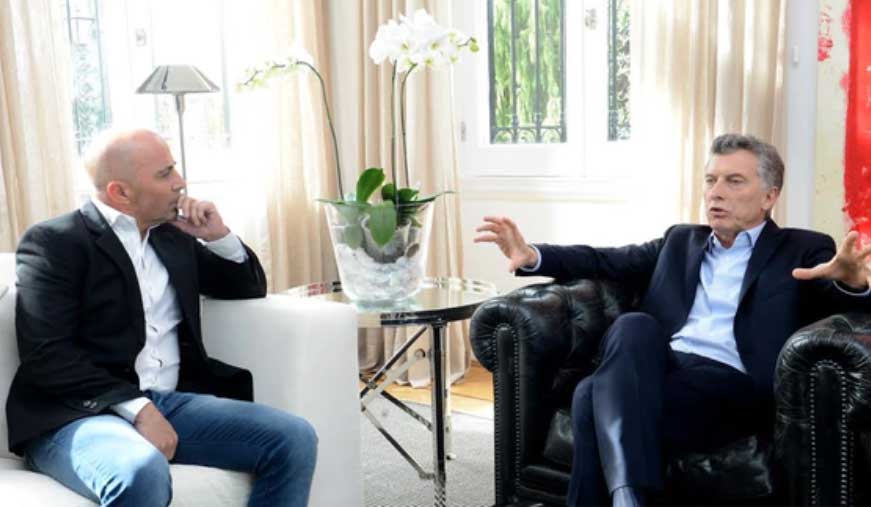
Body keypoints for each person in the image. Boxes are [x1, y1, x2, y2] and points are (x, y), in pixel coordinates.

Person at [474, 133, 871, 507]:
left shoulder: (802, 248)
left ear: (770, 195)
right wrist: (533, 255)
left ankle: (626, 493)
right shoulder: (680, 240)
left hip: (733, 382)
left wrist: (855, 283)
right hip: (661, 366)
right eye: (711, 180)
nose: (716, 192)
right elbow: (605, 259)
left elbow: (838, 301)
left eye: (734, 181)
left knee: (590, 395)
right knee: (633, 328)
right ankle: (628, 495)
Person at [6, 129, 318, 506]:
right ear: (121, 192)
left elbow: (245, 287)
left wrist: (217, 236)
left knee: (293, 438)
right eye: (165, 173)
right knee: (141, 469)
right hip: (79, 414)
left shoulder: (172, 236)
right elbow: (47, 355)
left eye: (175, 168)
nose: (180, 182)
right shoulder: (55, 242)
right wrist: (139, 408)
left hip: (173, 401)